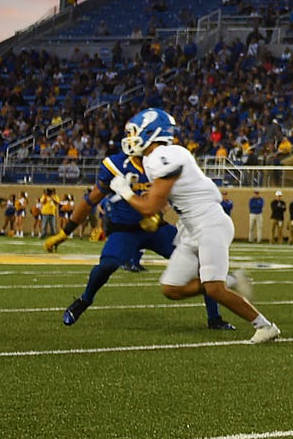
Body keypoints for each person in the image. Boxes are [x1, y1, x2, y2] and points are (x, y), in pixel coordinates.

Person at [116, 107, 281, 344]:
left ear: (151, 132)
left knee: (214, 289)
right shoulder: (155, 159)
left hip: (210, 223)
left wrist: (125, 192)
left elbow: (150, 207)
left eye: (134, 132)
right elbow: (162, 201)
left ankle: (264, 326)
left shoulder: (164, 155)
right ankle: (232, 280)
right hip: (191, 228)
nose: (131, 138)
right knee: (171, 288)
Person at [51, 153, 230, 330]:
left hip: (156, 228)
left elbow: (172, 197)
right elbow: (90, 200)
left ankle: (214, 317)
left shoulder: (163, 161)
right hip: (125, 230)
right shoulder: (116, 165)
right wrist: (65, 232)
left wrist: (159, 211)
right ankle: (85, 300)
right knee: (107, 265)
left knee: (203, 263)